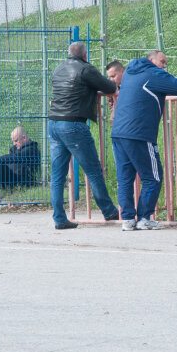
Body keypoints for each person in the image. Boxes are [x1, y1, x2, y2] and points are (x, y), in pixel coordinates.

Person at [110, 50, 177, 231]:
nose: (164, 65)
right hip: (139, 133)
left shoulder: (130, 71)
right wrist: (168, 75)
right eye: (162, 61)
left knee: (125, 178)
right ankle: (144, 218)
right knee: (153, 177)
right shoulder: (153, 74)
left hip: (119, 133)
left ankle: (128, 219)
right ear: (151, 60)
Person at [46, 42, 120, 230]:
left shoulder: (58, 68)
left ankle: (59, 218)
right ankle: (109, 210)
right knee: (93, 170)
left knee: (57, 175)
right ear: (85, 55)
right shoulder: (86, 69)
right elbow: (109, 86)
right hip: (73, 124)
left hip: (53, 123)